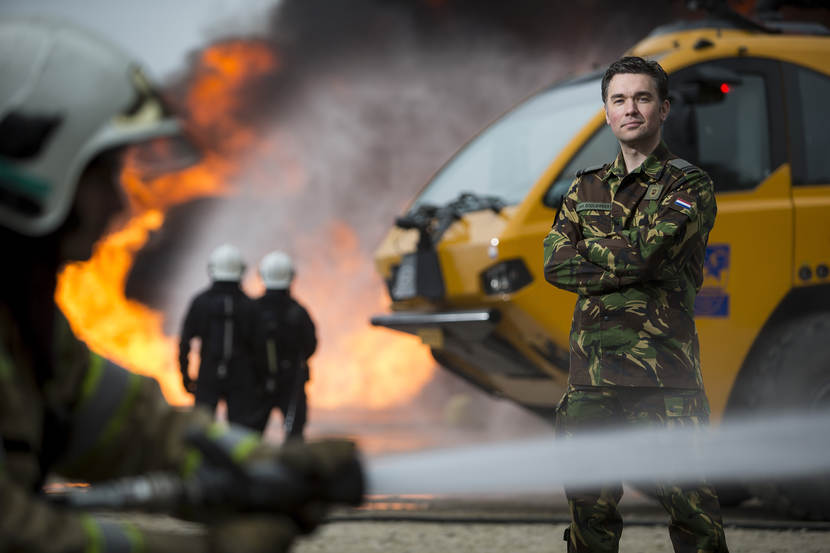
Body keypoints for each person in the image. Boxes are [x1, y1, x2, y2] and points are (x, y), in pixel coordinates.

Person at [0, 17, 361, 553]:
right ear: (36, 166)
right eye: (103, 174)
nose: (120, 203)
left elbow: (131, 425)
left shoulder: (29, 331)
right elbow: (18, 534)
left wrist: (262, 466)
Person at [543, 56, 728, 553]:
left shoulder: (689, 186)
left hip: (664, 379)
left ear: (664, 109)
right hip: (591, 379)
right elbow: (554, 265)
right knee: (589, 515)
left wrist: (594, 256)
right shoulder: (583, 188)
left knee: (693, 514)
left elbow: (650, 254)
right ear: (606, 113)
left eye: (643, 98)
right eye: (619, 99)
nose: (631, 109)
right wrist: (626, 259)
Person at [179, 243, 263, 431]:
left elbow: (184, 342)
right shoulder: (250, 305)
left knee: (200, 431)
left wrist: (185, 375)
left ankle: (201, 461)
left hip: (208, 375)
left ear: (212, 269)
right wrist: (258, 382)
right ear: (241, 270)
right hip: (241, 378)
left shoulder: (200, 302)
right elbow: (260, 348)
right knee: (241, 433)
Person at [251, 251, 317, 440]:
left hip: (258, 383)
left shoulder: (252, 309)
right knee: (294, 435)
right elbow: (310, 345)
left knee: (250, 436)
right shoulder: (298, 311)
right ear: (291, 277)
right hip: (292, 382)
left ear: (263, 275)